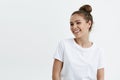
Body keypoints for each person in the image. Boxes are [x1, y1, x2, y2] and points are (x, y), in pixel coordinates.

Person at [52, 4, 105, 80]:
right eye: (71, 24)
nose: (74, 27)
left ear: (89, 24)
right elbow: (55, 75)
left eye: (78, 23)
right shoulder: (64, 45)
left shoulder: (98, 51)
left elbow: (100, 78)